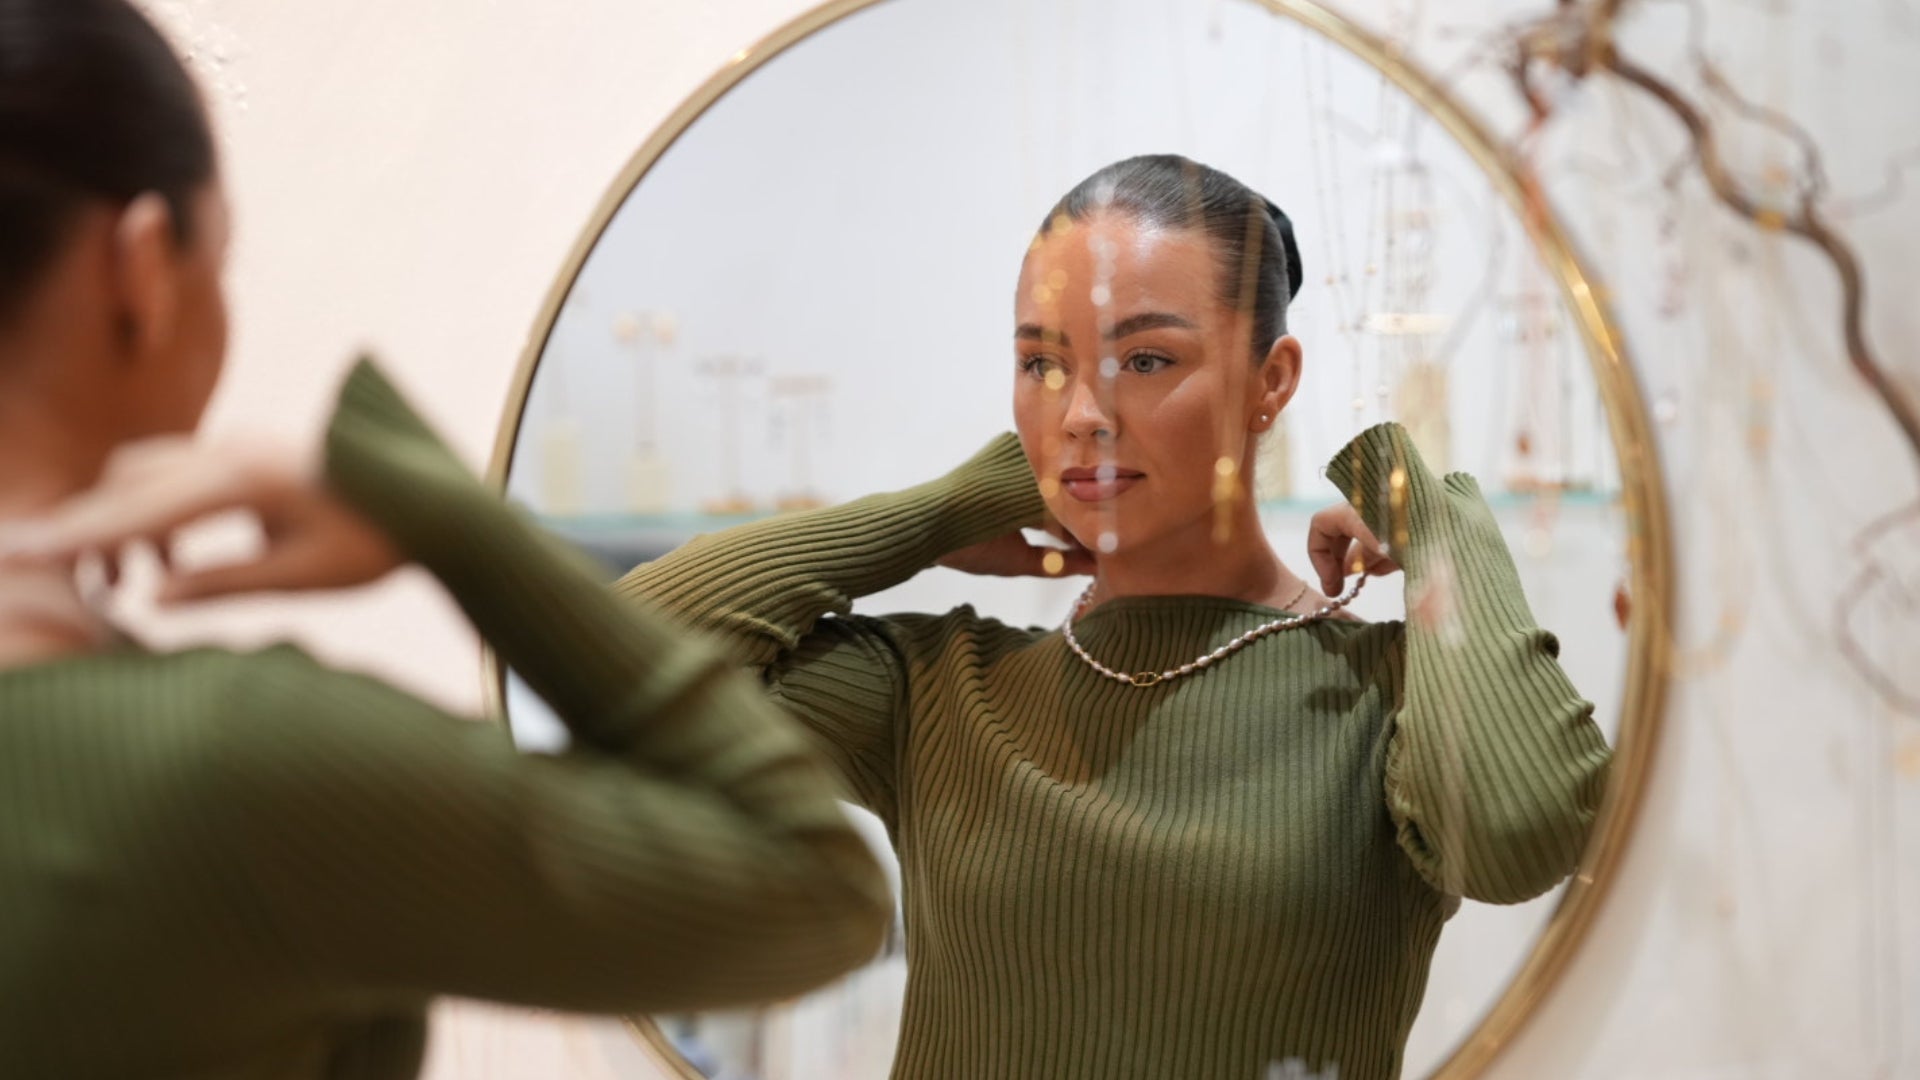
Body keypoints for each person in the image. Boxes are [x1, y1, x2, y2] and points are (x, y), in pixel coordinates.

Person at [0, 1, 889, 1075]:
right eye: (220, 262)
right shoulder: (222, 766)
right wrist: (437, 513)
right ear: (139, 269)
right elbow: (817, 885)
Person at [613, 154, 1614, 1080]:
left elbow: (1521, 832)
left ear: (1273, 382)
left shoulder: (1382, 696)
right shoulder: (947, 695)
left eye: (1145, 361)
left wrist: (1435, 522)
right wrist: (949, 508)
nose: (1084, 413)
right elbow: (618, 654)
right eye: (1043, 366)